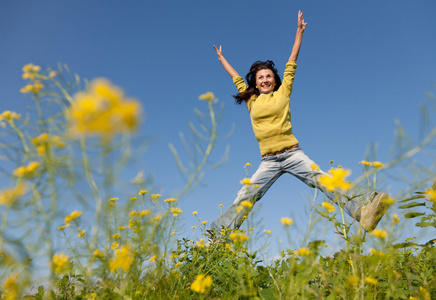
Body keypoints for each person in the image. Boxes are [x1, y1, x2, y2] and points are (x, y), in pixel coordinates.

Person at [209, 11, 389, 235]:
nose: (265, 80)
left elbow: (291, 62)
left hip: (293, 153)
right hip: (268, 161)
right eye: (260, 77)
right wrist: (222, 59)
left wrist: (299, 33)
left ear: (275, 80)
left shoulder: (284, 92)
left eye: (268, 76)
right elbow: (235, 77)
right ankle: (216, 237)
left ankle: (364, 211)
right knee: (246, 195)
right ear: (255, 83)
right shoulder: (251, 99)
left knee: (324, 180)